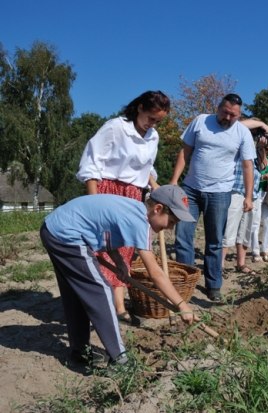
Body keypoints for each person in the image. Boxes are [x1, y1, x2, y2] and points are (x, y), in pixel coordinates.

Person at [40, 185, 197, 367]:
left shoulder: (134, 209)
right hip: (67, 235)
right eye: (171, 222)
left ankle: (80, 351)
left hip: (53, 229)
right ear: (158, 209)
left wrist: (119, 262)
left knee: (76, 294)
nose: (169, 228)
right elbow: (156, 273)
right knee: (101, 291)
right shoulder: (140, 222)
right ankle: (120, 358)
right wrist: (181, 305)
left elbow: (106, 230)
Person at [76, 90, 170, 324]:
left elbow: (147, 167)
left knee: (125, 249)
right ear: (139, 108)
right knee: (102, 249)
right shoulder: (116, 127)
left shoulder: (153, 137)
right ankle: (97, 305)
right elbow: (92, 163)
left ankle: (119, 306)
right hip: (108, 191)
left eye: (158, 121)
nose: (153, 124)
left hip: (132, 194)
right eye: (151, 118)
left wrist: (155, 188)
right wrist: (94, 203)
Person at [170, 94, 255, 302]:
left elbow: (247, 166)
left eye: (233, 115)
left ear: (239, 114)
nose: (227, 117)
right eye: (225, 112)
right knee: (182, 237)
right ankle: (185, 282)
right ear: (218, 107)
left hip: (220, 193)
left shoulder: (242, 133)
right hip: (190, 189)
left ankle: (213, 284)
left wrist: (249, 196)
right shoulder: (201, 121)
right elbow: (185, 151)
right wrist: (174, 181)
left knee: (215, 241)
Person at [220, 118, 268, 276]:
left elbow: (263, 167)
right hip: (236, 191)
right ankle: (219, 265)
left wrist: (261, 148)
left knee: (246, 231)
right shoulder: (236, 137)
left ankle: (240, 263)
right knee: (229, 230)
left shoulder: (254, 148)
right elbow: (239, 125)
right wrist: (261, 124)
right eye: (255, 131)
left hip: (252, 194)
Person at [251, 143, 268, 262]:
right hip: (257, 192)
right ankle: (255, 251)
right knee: (255, 222)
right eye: (267, 149)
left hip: (267, 193)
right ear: (260, 148)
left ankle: (265, 249)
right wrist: (263, 177)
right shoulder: (253, 159)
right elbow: (250, 175)